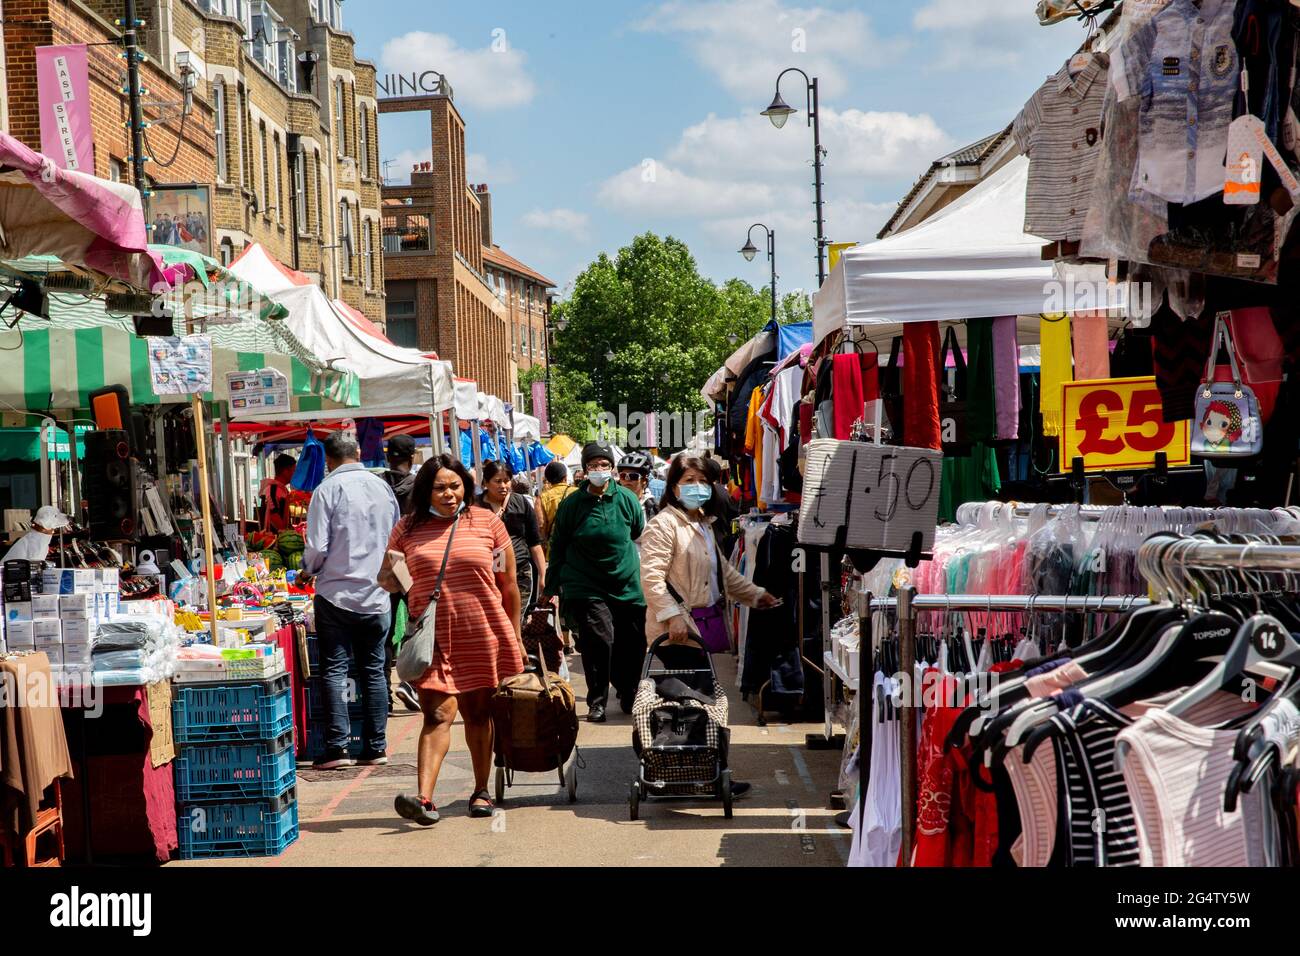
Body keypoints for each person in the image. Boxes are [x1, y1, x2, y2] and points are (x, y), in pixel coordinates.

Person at [381, 455, 523, 825]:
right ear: (426, 489)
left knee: (478, 714)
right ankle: (424, 799)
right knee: (437, 715)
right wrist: (392, 572)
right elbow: (388, 580)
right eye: (440, 487)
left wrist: (515, 635)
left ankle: (480, 791)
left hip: (482, 633)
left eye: (455, 486)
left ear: (466, 486)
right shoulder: (407, 529)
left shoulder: (487, 523)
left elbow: (508, 586)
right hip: (433, 637)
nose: (448, 494)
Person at [300, 434, 400, 770]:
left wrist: (308, 570)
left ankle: (338, 748)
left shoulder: (326, 490)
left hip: (337, 594)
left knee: (335, 670)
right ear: (358, 452)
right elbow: (397, 537)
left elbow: (316, 547)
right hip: (377, 595)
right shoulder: (382, 487)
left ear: (328, 460)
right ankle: (376, 746)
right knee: (374, 671)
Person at [544, 440, 646, 722]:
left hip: (626, 584)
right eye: (593, 466)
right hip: (586, 585)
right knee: (599, 640)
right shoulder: (572, 504)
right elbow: (559, 545)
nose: (599, 470)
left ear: (612, 468)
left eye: (603, 465)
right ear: (585, 470)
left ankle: (628, 690)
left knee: (633, 643)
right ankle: (597, 701)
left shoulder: (627, 500)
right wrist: (549, 590)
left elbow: (638, 530)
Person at [476, 460, 547, 626]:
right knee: (492, 621)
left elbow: (534, 543)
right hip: (487, 575)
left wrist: (543, 575)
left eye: (506, 480)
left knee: (515, 620)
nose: (503, 485)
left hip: (520, 573)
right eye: (497, 481)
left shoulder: (521, 502)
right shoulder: (475, 506)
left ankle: (515, 648)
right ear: (486, 483)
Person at [381, 434, 420, 712]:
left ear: (387, 457)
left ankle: (382, 690)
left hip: (383, 563)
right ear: (412, 457)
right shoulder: (419, 487)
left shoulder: (377, 485)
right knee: (419, 623)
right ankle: (412, 682)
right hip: (410, 564)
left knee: (384, 629)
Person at [2, 506, 70, 562]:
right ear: (44, 521)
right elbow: (34, 565)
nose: (63, 516)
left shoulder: (37, 539)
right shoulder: (35, 541)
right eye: (55, 516)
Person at [535, 459, 576, 552]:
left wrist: (544, 543)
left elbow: (541, 525)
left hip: (555, 547)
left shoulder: (542, 498)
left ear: (547, 479)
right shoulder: (577, 492)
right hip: (578, 545)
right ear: (565, 477)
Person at [258, 454, 296, 533]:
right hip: (275, 539)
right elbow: (273, 514)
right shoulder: (273, 490)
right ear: (285, 472)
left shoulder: (280, 489)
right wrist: (286, 533)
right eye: (294, 471)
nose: (295, 474)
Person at [617, 451, 659, 522]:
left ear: (644, 480)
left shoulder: (655, 508)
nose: (627, 480)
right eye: (623, 476)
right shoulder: (611, 504)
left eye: (633, 476)